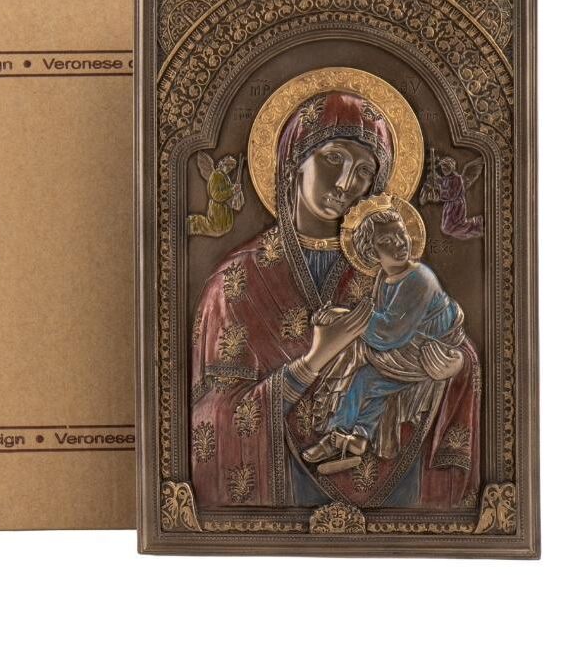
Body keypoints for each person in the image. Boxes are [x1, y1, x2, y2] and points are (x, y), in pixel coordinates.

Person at [189, 87, 480, 509]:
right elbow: (212, 419)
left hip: (394, 483)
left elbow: (452, 344)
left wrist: (455, 365)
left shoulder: (387, 267)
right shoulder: (236, 280)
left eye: (363, 172)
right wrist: (313, 361)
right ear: (295, 162)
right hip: (281, 487)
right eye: (333, 159)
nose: (346, 184)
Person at [303, 201, 468, 468]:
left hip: (427, 351)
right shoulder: (384, 277)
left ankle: (337, 436)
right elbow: (381, 319)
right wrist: (343, 317)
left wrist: (343, 316)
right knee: (365, 373)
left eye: (401, 234)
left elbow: (389, 332)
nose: (400, 243)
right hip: (404, 348)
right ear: (372, 251)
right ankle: (357, 438)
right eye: (387, 241)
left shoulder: (420, 278)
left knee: (361, 373)